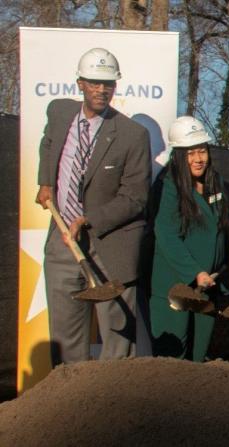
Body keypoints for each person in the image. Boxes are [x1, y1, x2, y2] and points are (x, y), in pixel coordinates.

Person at [35, 47, 150, 364]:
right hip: (63, 243)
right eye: (95, 82)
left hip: (110, 243)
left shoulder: (132, 135)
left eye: (108, 83)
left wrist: (89, 219)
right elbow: (48, 144)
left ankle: (114, 403)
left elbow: (136, 196)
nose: (102, 90)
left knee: (116, 337)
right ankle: (72, 401)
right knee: (65, 335)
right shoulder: (58, 112)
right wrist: (45, 181)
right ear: (80, 83)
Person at [149, 117, 229, 361]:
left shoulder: (215, 181)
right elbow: (167, 235)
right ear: (178, 155)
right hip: (175, 287)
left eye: (202, 151)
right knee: (172, 360)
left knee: (198, 357)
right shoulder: (168, 185)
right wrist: (194, 272)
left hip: (207, 288)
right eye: (190, 153)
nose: (198, 159)